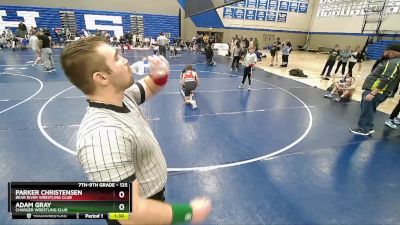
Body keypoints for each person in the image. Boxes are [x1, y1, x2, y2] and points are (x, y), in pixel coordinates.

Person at [60, 37, 211, 225]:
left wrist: (160, 74)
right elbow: (130, 212)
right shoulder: (102, 136)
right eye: (116, 58)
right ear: (101, 77)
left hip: (151, 199)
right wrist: (188, 213)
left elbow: (149, 86)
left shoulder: (122, 96)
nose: (124, 60)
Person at [350, 44, 400, 136]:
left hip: (376, 91)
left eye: (385, 51)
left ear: (392, 53)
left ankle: (363, 129)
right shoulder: (392, 61)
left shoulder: (392, 63)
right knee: (369, 109)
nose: (384, 53)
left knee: (367, 109)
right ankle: (368, 127)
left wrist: (373, 93)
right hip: (376, 91)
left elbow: (386, 78)